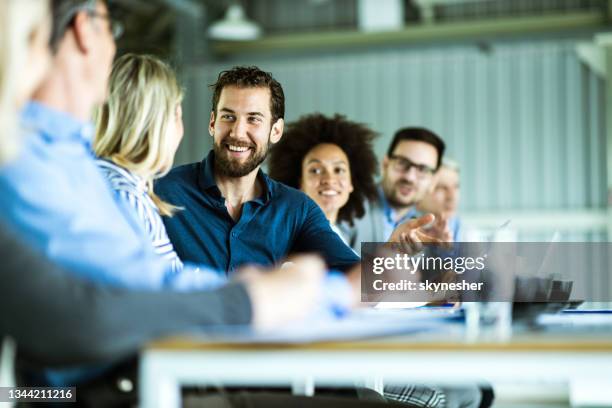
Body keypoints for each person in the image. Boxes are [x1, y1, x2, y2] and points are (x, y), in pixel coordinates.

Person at [94, 53, 205, 275]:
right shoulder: (127, 199)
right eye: (177, 114)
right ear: (164, 121)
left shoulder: (95, 180)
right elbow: (158, 292)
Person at [268, 113, 378, 246]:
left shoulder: (339, 235)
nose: (329, 179)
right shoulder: (288, 237)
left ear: (351, 183)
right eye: (316, 170)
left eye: (338, 170)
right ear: (300, 183)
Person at [348, 127, 452, 254]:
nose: (409, 177)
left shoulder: (427, 227)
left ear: (433, 181)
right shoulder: (349, 207)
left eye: (423, 169)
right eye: (402, 163)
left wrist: (438, 257)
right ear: (385, 165)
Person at [416, 159, 462, 242]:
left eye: (456, 187)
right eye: (441, 187)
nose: (452, 197)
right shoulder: (396, 228)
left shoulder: (459, 227)